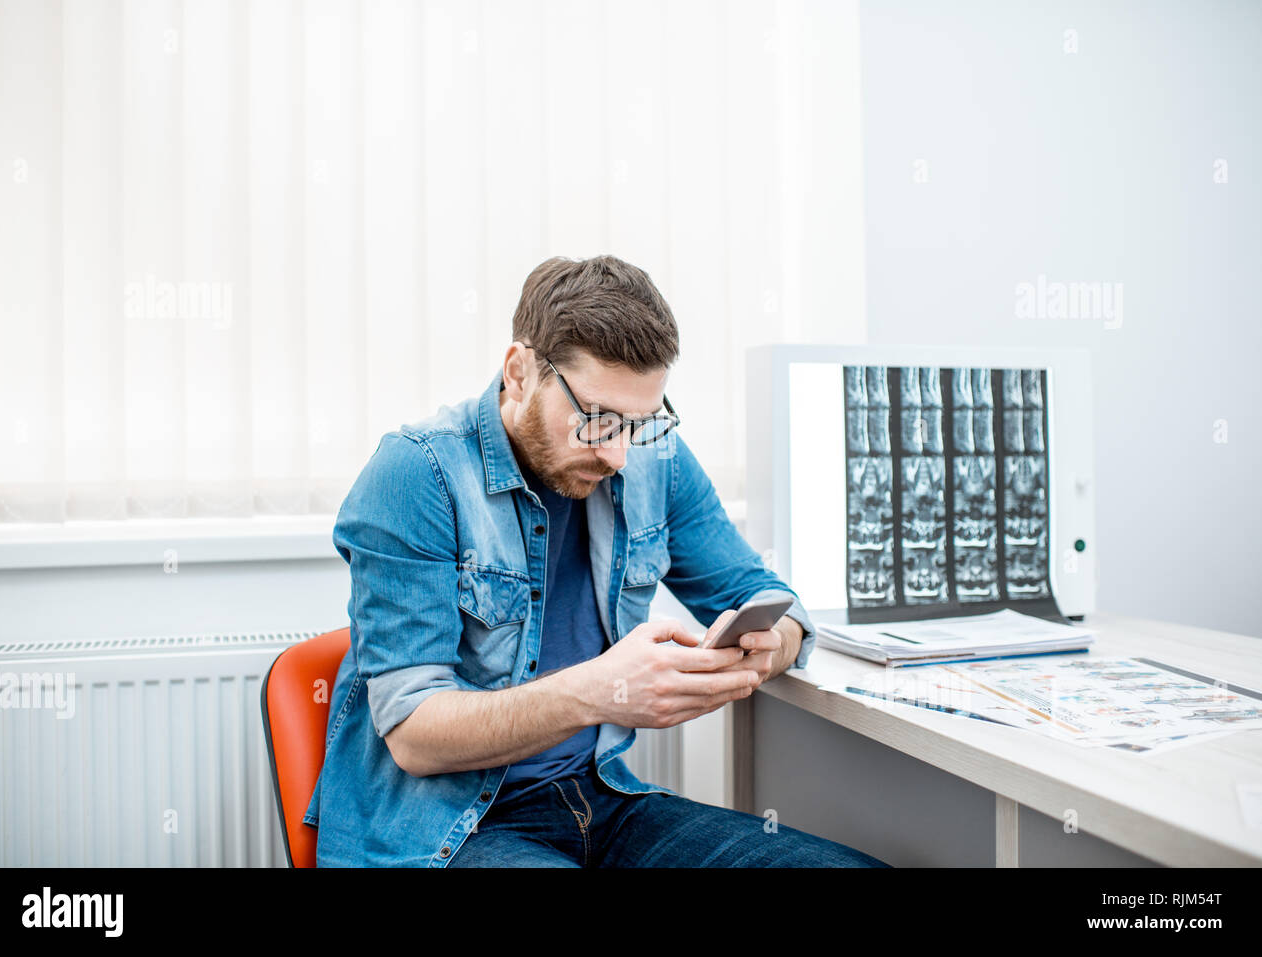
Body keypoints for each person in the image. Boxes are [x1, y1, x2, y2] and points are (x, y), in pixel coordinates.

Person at [303, 254, 890, 868]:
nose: (616, 453)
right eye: (595, 419)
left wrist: (777, 644)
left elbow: (764, 594)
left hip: (599, 801)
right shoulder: (416, 473)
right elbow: (415, 735)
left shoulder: (652, 461)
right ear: (520, 372)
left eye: (637, 424)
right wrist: (599, 693)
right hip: (439, 829)